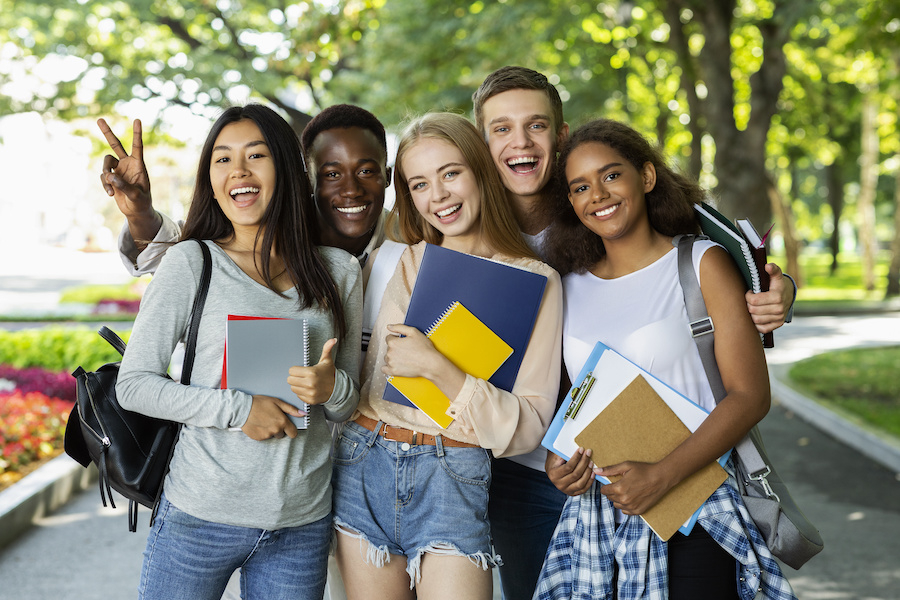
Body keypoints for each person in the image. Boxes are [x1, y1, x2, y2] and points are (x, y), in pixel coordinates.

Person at [470, 65, 797, 600]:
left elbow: (745, 266)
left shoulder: (671, 242)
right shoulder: (467, 223)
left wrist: (778, 292)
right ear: (482, 145)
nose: (520, 142)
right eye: (501, 129)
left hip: (683, 489)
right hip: (554, 482)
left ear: (562, 134)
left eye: (536, 125)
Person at [114, 104, 363, 600]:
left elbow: (347, 405)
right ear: (210, 179)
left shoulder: (339, 271)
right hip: (198, 516)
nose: (239, 172)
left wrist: (331, 386)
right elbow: (133, 384)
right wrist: (240, 408)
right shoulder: (192, 261)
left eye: (256, 155)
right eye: (222, 159)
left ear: (288, 170)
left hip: (301, 523)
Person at [330, 112, 563, 600]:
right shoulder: (397, 258)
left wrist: (439, 367)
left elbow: (527, 428)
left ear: (480, 170)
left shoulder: (535, 280)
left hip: (454, 475)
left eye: (450, 173)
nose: (438, 196)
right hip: (364, 457)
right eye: (419, 183)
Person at [102, 103, 391, 274]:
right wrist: (140, 213)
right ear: (307, 179)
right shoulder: (271, 228)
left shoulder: (408, 244)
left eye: (366, 171)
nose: (351, 189)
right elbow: (180, 252)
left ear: (387, 176)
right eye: (331, 174)